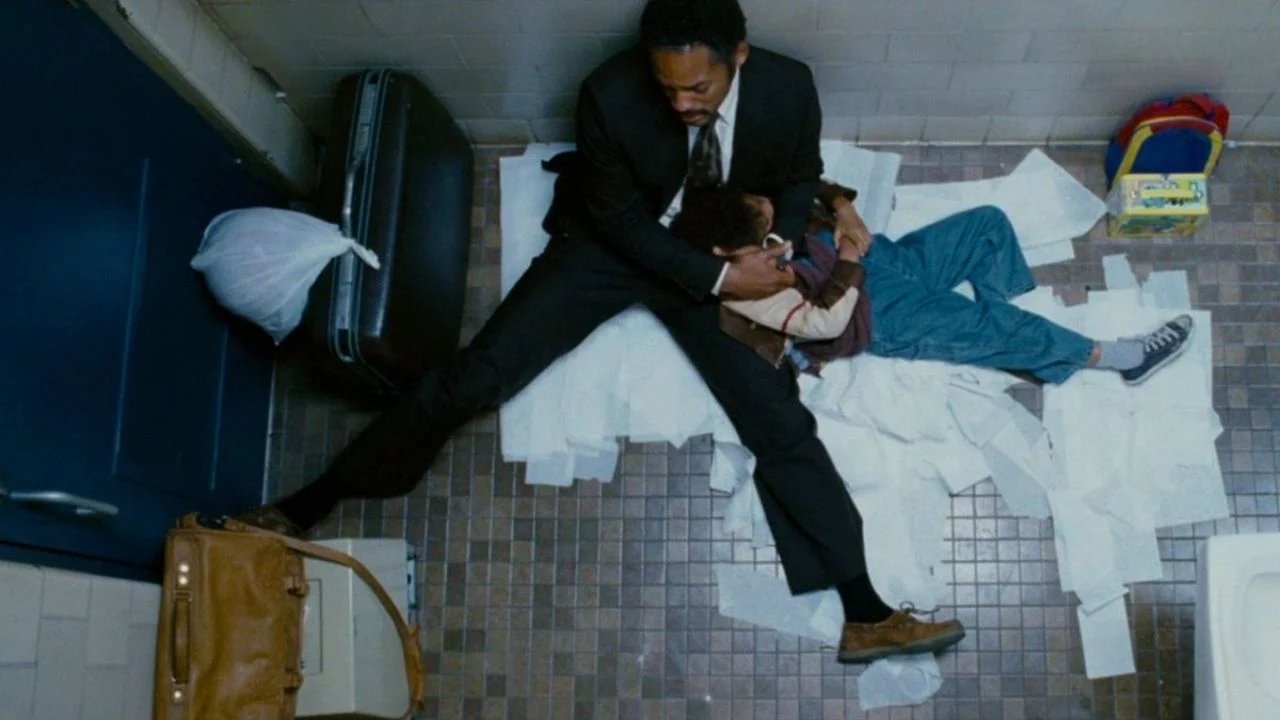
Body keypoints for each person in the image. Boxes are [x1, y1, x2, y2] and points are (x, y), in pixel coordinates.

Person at [239, 0, 965, 664]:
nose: (681, 104)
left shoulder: (788, 85)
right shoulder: (610, 94)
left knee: (780, 423)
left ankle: (865, 614)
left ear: (737, 57)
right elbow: (617, 220)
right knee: (480, 376)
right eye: (667, 88)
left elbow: (800, 175)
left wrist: (769, 247)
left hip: (714, 245)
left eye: (699, 88)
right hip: (615, 249)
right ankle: (313, 500)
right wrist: (720, 280)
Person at [670, 184, 1195, 385]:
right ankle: (1122, 359)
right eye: (766, 232)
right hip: (871, 311)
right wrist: (847, 256)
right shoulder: (746, 293)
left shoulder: (745, 207)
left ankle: (1006, 336)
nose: (777, 225)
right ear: (727, 252)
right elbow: (825, 322)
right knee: (992, 325)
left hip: (884, 259)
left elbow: (804, 180)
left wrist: (842, 208)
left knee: (988, 225)